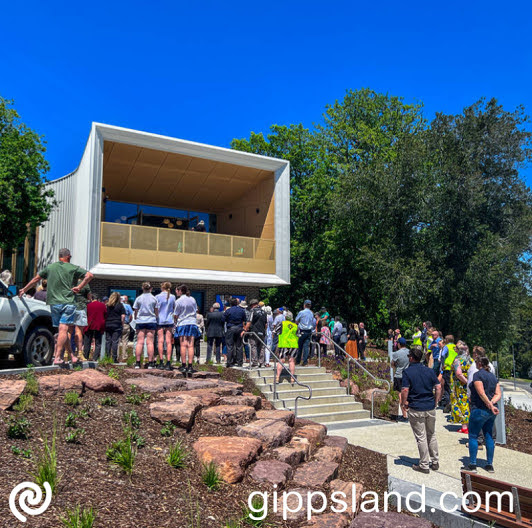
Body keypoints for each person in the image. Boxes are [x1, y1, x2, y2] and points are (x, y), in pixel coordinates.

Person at [19, 248, 94, 365]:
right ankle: (58, 357)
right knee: (64, 330)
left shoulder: (50, 267)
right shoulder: (73, 268)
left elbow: (36, 279)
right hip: (68, 302)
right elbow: (89, 275)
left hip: (54, 303)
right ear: (68, 257)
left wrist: (24, 289)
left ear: (59, 256)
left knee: (62, 330)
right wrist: (80, 287)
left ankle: (72, 356)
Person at [401, 346, 442, 474]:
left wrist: (403, 403)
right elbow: (438, 387)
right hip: (430, 406)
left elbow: (405, 389)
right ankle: (435, 461)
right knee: (431, 434)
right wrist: (436, 401)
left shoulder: (407, 372)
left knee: (421, 437)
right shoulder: (429, 371)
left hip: (416, 407)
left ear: (411, 358)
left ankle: (424, 464)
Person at [466, 356, 501, 473]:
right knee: (489, 435)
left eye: (476, 362)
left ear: (480, 363)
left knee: (473, 436)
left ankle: (472, 464)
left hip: (479, 408)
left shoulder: (477, 375)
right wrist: (492, 404)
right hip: (491, 412)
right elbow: (498, 394)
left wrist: (488, 404)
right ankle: (489, 464)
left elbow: (481, 393)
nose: (475, 364)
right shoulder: (493, 377)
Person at [174, 284, 201, 374]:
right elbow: (195, 310)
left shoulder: (178, 301)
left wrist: (175, 321)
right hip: (192, 323)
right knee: (191, 345)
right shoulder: (192, 299)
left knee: (183, 345)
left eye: (177, 290)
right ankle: (190, 366)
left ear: (180, 291)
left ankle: (183, 365)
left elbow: (176, 314)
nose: (176, 292)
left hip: (182, 323)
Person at [133, 282, 158, 369]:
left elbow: (135, 310)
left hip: (140, 321)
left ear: (142, 288)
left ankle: (137, 362)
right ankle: (150, 362)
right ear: (150, 288)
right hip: (151, 320)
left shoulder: (139, 298)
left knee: (140, 342)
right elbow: (156, 311)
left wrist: (136, 318)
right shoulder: (154, 299)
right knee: (150, 342)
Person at [450, 341, 472, 433]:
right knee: (468, 403)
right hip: (469, 385)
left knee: (462, 403)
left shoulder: (457, 360)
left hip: (460, 386)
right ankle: (468, 424)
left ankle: (464, 426)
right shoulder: (470, 360)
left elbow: (458, 373)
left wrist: (466, 382)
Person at [156, 282, 176, 370]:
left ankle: (160, 361)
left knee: (160, 341)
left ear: (162, 287)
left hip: (160, 320)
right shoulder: (173, 297)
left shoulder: (157, 297)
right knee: (168, 341)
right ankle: (168, 362)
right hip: (169, 320)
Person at [274, 316, 299, 384]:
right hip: (293, 344)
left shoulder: (282, 323)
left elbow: (275, 331)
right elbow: (299, 334)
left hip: (283, 343)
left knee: (281, 360)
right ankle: (292, 378)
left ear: (285, 317)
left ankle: (277, 377)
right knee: (292, 361)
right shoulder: (295, 325)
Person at [223, 297, 247, 367]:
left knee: (230, 346)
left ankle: (229, 362)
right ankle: (240, 362)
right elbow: (244, 320)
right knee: (239, 346)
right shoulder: (241, 311)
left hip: (231, 328)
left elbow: (223, 319)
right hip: (239, 328)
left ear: (230, 303)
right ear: (237, 303)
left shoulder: (228, 311)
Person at [83, 293, 106, 361]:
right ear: (98, 299)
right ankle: (95, 358)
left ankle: (86, 356)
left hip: (89, 324)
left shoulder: (88, 305)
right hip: (99, 325)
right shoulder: (103, 305)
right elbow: (105, 314)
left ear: (91, 298)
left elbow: (86, 315)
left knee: (87, 342)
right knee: (98, 342)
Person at [392, 337, 410, 421]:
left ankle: (404, 415)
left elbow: (392, 364)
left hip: (399, 375)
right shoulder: (409, 352)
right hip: (408, 375)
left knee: (400, 395)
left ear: (399, 344)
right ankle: (409, 412)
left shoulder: (396, 353)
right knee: (408, 394)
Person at [246, 299, 267, 367]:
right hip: (262, 331)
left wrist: (245, 329)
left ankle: (254, 362)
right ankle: (262, 362)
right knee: (262, 347)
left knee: (253, 346)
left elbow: (249, 321)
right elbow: (266, 324)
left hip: (254, 331)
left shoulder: (252, 311)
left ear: (252, 305)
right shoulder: (264, 312)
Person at [73, 280, 91, 360]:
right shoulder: (85, 284)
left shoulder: (71, 282)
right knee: (79, 331)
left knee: (69, 331)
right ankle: (79, 352)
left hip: (70, 307)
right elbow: (89, 297)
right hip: (81, 308)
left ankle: (67, 352)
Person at [105, 292, 125, 363]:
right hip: (116, 324)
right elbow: (123, 316)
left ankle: (107, 357)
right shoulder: (120, 305)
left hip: (108, 324)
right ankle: (114, 358)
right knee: (115, 341)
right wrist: (122, 324)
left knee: (108, 341)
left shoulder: (107, 305)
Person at [440, 335, 457, 413]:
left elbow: (443, 355)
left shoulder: (446, 347)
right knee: (454, 386)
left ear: (447, 340)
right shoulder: (456, 346)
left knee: (447, 387)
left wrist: (443, 364)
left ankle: (448, 404)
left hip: (447, 368)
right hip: (455, 368)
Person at [295, 300, 314, 366]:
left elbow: (296, 320)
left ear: (304, 305)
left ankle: (298, 361)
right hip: (309, 331)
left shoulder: (301, 312)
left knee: (300, 346)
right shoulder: (311, 313)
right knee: (306, 347)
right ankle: (305, 361)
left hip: (302, 331)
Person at [119, 295, 133, 361]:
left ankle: (116, 356)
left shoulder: (116, 306)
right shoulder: (127, 306)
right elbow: (131, 315)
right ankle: (124, 356)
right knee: (125, 341)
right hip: (125, 324)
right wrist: (129, 321)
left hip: (117, 324)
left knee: (117, 341)